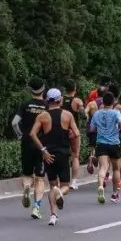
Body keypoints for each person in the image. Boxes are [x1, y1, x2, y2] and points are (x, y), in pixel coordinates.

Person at [29, 88, 79, 227]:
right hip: (63, 153)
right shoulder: (67, 115)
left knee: (52, 185)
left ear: (47, 100)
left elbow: (32, 134)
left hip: (48, 154)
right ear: (60, 100)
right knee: (65, 186)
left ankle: (53, 215)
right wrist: (74, 146)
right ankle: (60, 193)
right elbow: (76, 133)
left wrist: (43, 149)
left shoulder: (42, 116)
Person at [12, 77, 47, 220]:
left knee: (27, 174)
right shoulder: (47, 106)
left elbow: (14, 122)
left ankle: (27, 187)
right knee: (39, 178)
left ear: (30, 89)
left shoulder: (25, 104)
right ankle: (37, 206)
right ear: (43, 88)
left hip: (26, 142)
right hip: (42, 144)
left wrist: (20, 135)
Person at [89, 92, 121, 204]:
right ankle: (114, 194)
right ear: (113, 102)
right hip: (114, 143)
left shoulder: (96, 114)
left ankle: (101, 186)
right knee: (115, 168)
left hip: (101, 143)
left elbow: (91, 129)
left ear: (103, 102)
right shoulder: (116, 113)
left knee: (103, 167)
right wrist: (119, 128)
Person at [64, 80, 87, 191]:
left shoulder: (60, 100)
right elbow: (83, 115)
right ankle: (74, 182)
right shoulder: (77, 101)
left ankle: (63, 181)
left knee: (63, 156)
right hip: (74, 131)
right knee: (75, 156)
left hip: (62, 131)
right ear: (75, 88)